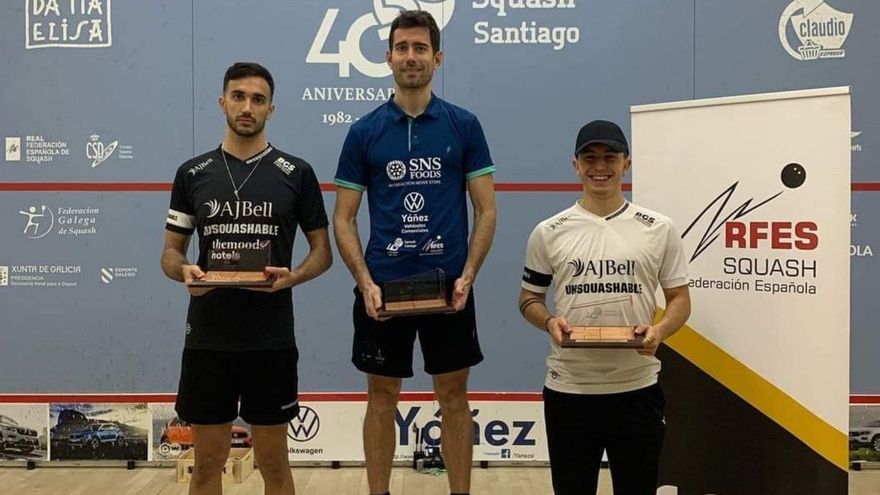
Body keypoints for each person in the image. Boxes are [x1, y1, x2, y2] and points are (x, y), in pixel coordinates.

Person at [333, 10, 496, 495]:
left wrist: (468, 274)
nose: (410, 57)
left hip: (450, 291)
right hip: (384, 292)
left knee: (453, 396)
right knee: (381, 397)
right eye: (402, 48)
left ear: (437, 58)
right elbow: (343, 218)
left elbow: (486, 211)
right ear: (387, 57)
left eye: (420, 48)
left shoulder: (463, 125)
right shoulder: (364, 132)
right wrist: (365, 282)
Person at [161, 62, 332, 495]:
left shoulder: (298, 173)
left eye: (258, 99)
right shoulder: (191, 174)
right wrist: (183, 270)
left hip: (270, 339)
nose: (247, 106)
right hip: (208, 338)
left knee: (275, 464)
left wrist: (292, 278)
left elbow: (323, 254)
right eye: (238, 96)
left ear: (271, 109)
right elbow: (169, 253)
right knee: (207, 465)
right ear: (223, 102)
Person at [518, 120, 691, 495]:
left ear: (626, 163)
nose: (600, 166)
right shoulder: (549, 231)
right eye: (590, 157)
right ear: (575, 165)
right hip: (569, 391)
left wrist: (659, 331)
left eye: (610, 157)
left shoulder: (659, 228)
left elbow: (679, 300)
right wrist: (548, 322)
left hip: (637, 389)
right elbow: (529, 299)